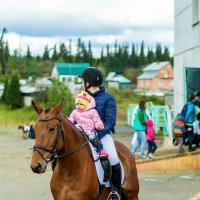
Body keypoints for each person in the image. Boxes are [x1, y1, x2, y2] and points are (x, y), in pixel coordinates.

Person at [78, 67, 121, 199]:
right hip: (82, 134)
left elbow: (110, 121)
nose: (82, 83)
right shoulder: (82, 96)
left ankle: (115, 191)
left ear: (88, 83)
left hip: (101, 135)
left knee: (113, 158)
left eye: (83, 81)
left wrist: (96, 133)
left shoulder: (109, 98)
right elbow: (77, 114)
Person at [68, 90, 108, 158]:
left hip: (89, 129)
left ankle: (100, 150)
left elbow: (96, 119)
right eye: (77, 104)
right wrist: (68, 121)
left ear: (86, 104)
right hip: (79, 129)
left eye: (81, 104)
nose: (78, 106)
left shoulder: (92, 111)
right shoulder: (75, 112)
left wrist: (98, 124)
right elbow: (71, 118)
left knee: (94, 137)